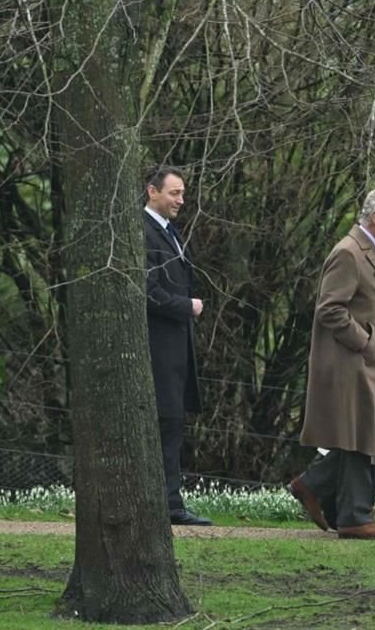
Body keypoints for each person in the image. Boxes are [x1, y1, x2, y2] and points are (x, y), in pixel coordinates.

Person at [287, 188, 375, 540]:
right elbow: (329, 309)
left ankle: (313, 486)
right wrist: (365, 342)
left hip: (363, 361)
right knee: (358, 436)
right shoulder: (349, 253)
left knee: (360, 435)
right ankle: (353, 516)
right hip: (348, 360)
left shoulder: (373, 251)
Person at [143, 165, 212, 526]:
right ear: (152, 192)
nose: (181, 200)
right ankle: (168, 504)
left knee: (172, 422)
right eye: (174, 193)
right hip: (159, 346)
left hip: (176, 347)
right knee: (166, 421)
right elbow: (148, 291)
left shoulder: (170, 232)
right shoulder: (144, 232)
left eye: (183, 193)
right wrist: (186, 306)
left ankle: (168, 500)